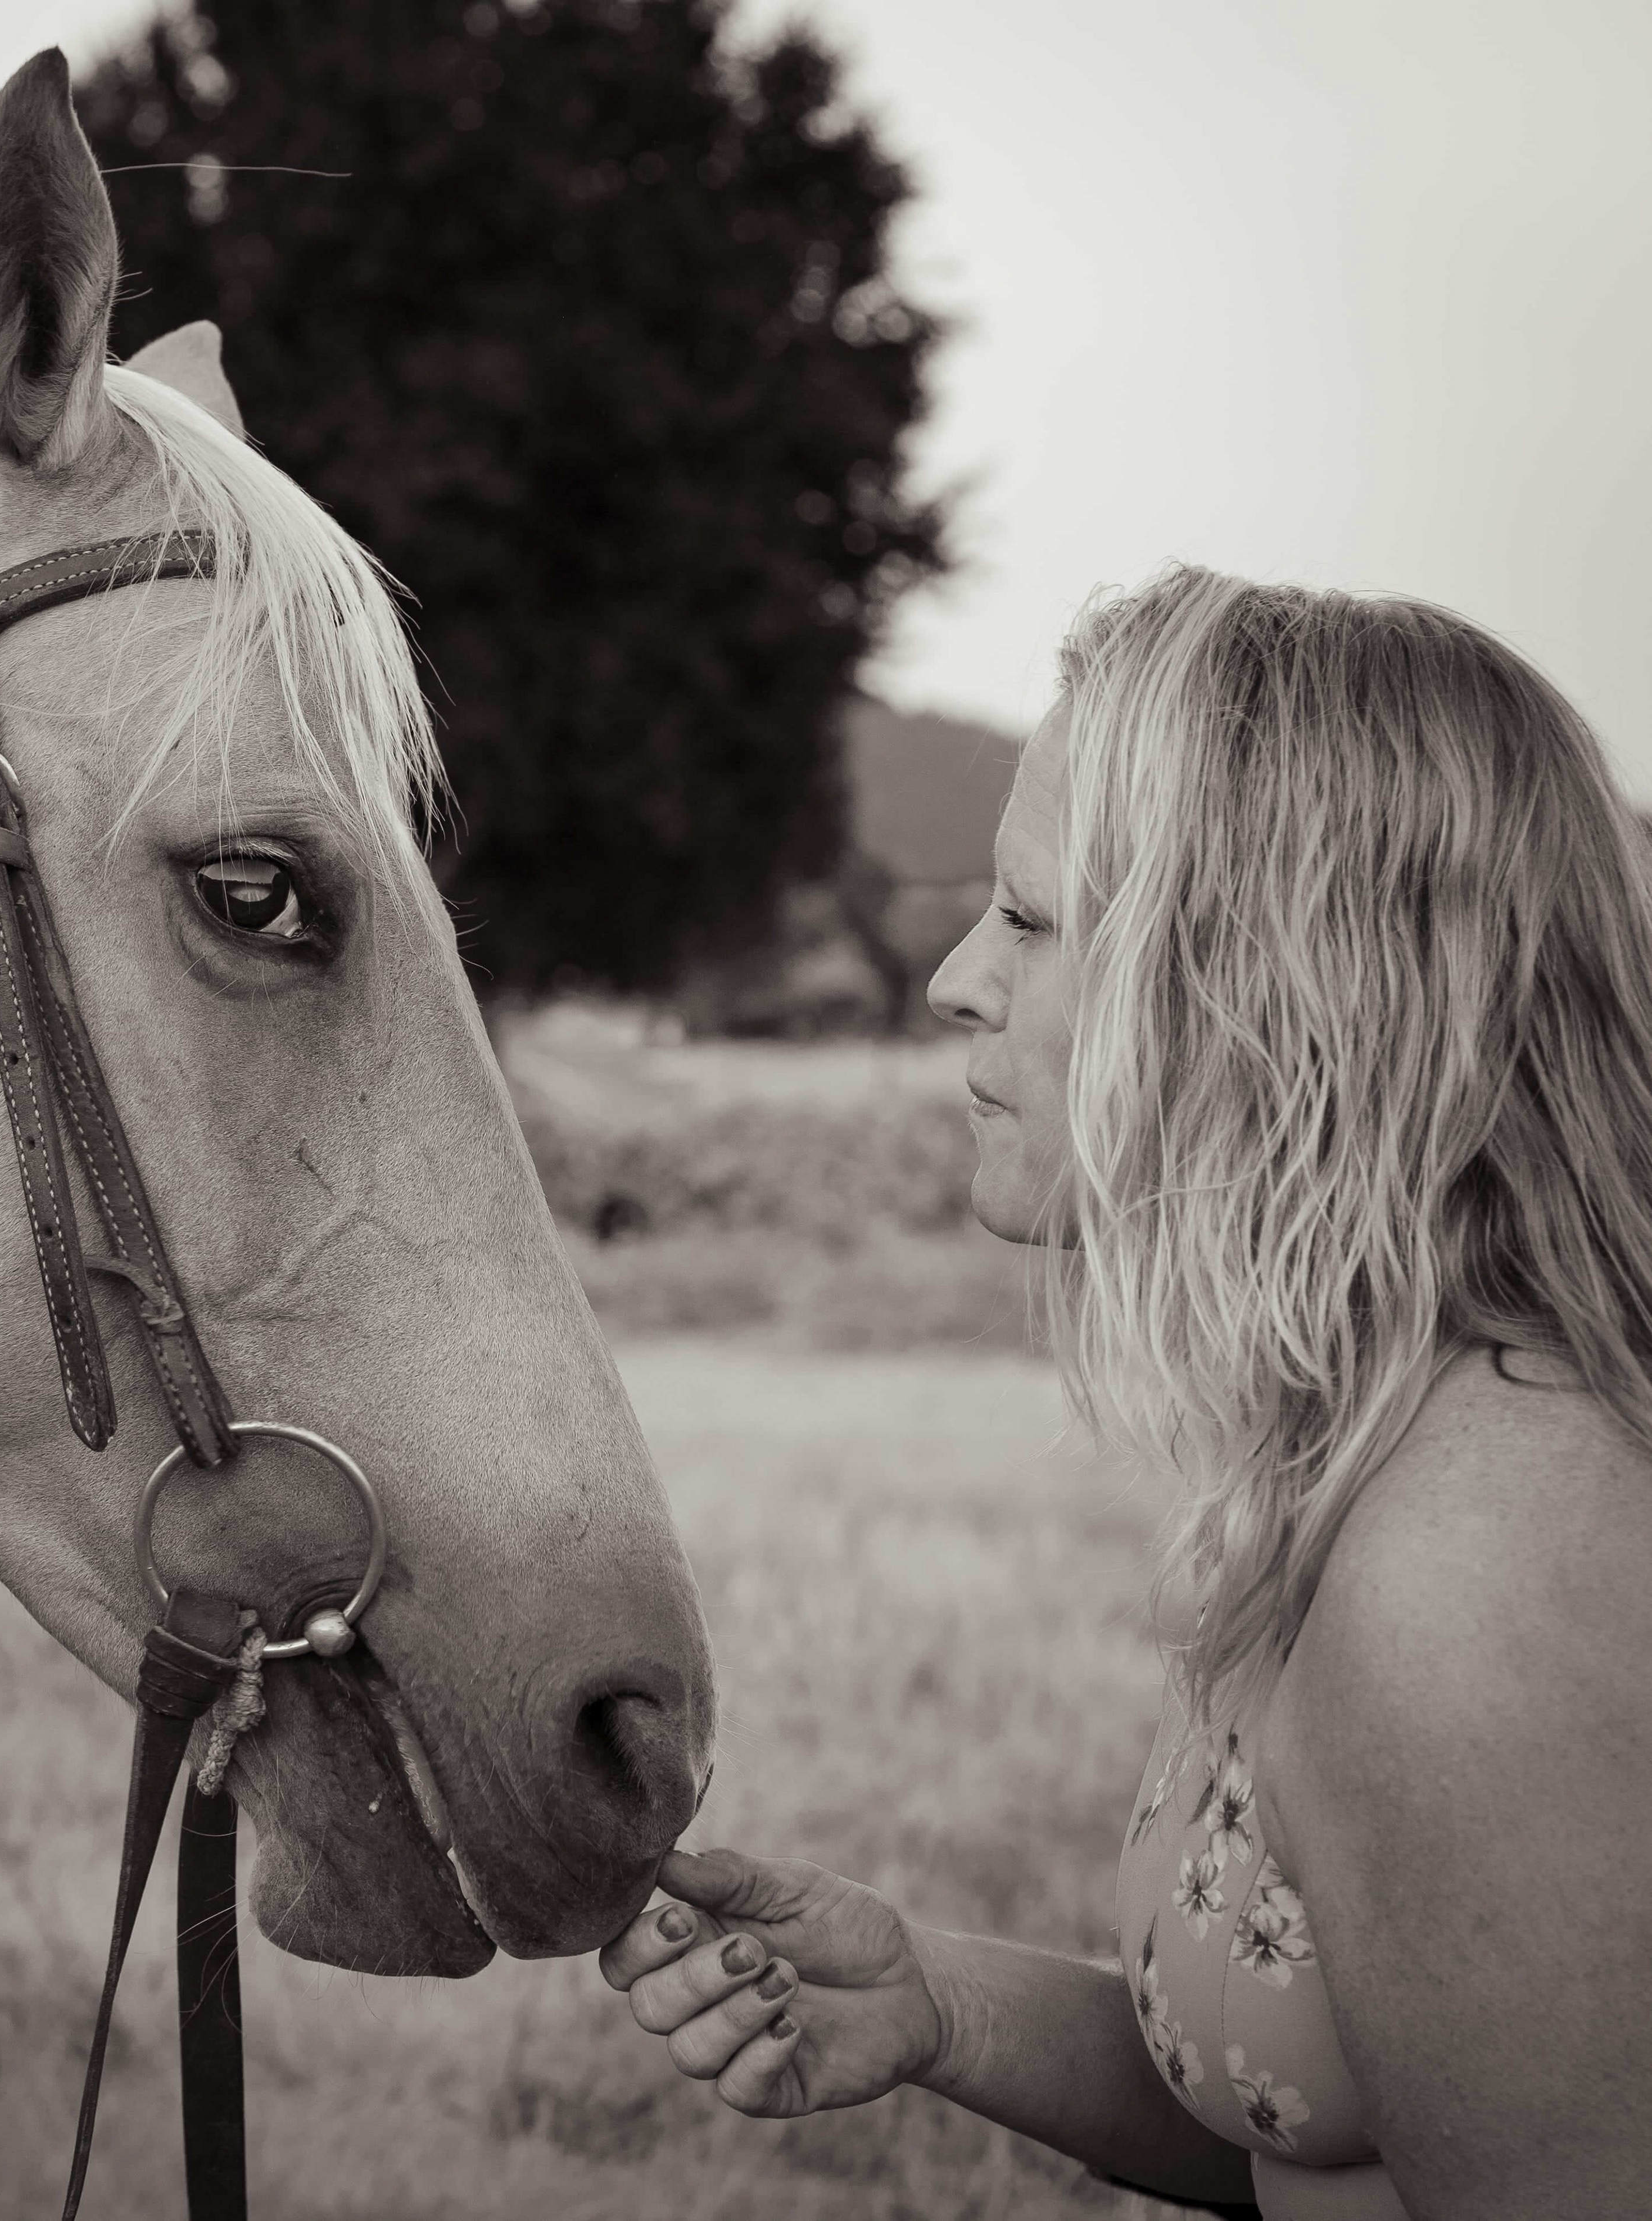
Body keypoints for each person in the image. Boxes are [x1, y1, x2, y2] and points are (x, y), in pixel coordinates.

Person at [600, 567, 1652, 2219]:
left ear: (1258, 983)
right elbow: (1345, 2121)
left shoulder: (1478, 1576)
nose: (956, 978)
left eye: (1028, 921)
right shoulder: (1371, 1445)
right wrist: (937, 2003)